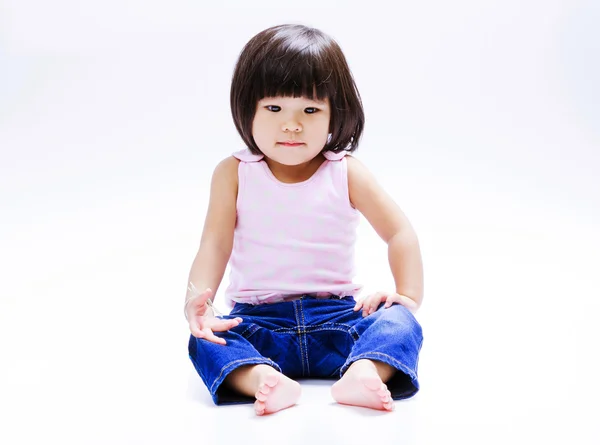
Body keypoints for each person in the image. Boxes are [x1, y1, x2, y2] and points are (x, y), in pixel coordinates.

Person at [185, 23, 424, 416]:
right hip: (258, 322)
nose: (291, 125)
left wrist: (409, 295)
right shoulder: (233, 173)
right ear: (248, 109)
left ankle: (363, 371)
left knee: (401, 324)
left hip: (338, 320)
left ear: (335, 114)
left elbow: (399, 231)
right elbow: (214, 244)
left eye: (310, 110)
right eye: (274, 108)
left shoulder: (346, 171)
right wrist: (200, 302)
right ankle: (263, 379)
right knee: (204, 340)